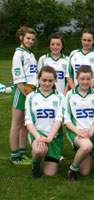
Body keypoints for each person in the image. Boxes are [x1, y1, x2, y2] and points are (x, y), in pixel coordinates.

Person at [25, 66, 65, 178]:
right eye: (44, 80)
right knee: (39, 150)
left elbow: (59, 119)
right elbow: (28, 121)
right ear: (38, 79)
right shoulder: (31, 97)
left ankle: (49, 156)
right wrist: (38, 137)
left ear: (54, 81)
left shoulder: (60, 97)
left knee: (50, 173)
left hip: (54, 137)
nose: (47, 83)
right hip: (38, 135)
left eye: (50, 81)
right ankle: (35, 166)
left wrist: (49, 138)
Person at [64, 65, 94, 181]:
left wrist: (90, 133)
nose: (85, 82)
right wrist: (78, 131)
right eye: (82, 79)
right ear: (77, 79)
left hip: (91, 134)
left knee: (85, 172)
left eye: (88, 79)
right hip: (75, 132)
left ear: (92, 79)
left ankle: (79, 156)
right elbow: (66, 119)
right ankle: (72, 169)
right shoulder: (70, 95)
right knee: (87, 145)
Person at [10, 26, 37, 165]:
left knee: (26, 125)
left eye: (32, 39)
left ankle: (22, 152)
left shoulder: (30, 54)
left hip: (31, 92)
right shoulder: (18, 54)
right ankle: (14, 157)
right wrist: (26, 94)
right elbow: (19, 78)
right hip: (22, 92)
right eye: (28, 38)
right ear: (21, 37)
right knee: (16, 124)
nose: (30, 41)